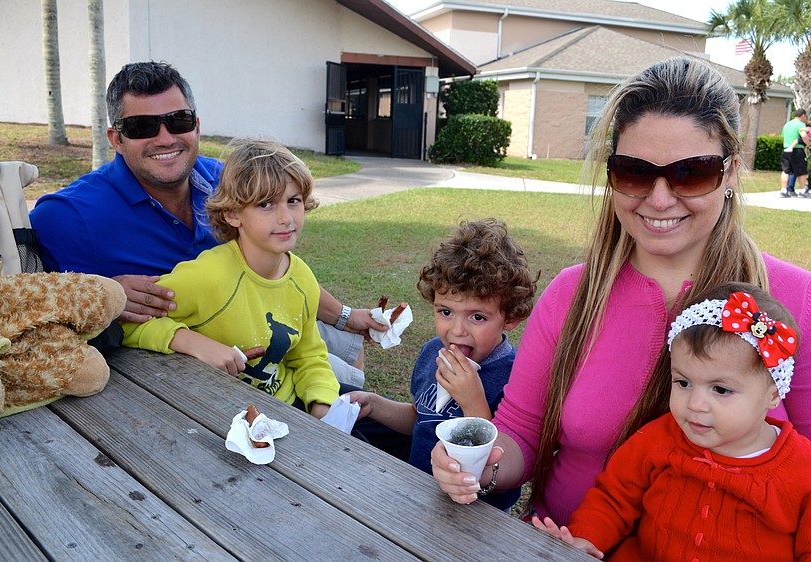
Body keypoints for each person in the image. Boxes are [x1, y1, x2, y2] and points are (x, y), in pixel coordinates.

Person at [430, 57, 811, 526]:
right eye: (634, 171)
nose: (660, 197)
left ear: (730, 173)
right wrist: (476, 467)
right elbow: (521, 434)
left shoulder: (801, 302)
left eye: (692, 172)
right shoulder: (571, 295)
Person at [29, 61, 383, 386]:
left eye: (178, 120)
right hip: (195, 362)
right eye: (142, 127)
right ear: (116, 140)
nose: (165, 138)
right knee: (341, 386)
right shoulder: (68, 216)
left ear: (196, 126)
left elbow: (272, 269)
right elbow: (28, 306)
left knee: (349, 356)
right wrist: (102, 292)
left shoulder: (224, 179)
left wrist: (344, 316)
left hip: (260, 320)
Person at [531, 283, 811, 560]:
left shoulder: (800, 468)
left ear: (773, 394)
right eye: (683, 383)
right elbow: (613, 499)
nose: (695, 404)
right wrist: (587, 539)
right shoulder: (660, 437)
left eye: (720, 389)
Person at [121, 139, 339, 418]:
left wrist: (322, 408)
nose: (286, 218)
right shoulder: (206, 276)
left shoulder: (304, 279)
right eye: (265, 204)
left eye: (293, 201)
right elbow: (128, 324)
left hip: (288, 410)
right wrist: (190, 341)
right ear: (233, 214)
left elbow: (309, 356)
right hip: (218, 416)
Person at [346, 218, 537, 510]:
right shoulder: (433, 352)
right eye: (446, 311)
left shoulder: (513, 375)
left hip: (479, 513)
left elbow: (498, 458)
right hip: (420, 492)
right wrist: (375, 404)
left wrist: (473, 401)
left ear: (510, 318)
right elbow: (423, 420)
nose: (457, 330)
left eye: (477, 317)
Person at [780, 109, 810, 198]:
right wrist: (807, 143)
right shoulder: (801, 124)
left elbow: (783, 137)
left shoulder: (787, 124)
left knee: (786, 170)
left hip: (786, 149)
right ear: (803, 115)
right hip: (797, 151)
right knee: (801, 171)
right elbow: (804, 135)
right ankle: (802, 190)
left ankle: (783, 190)